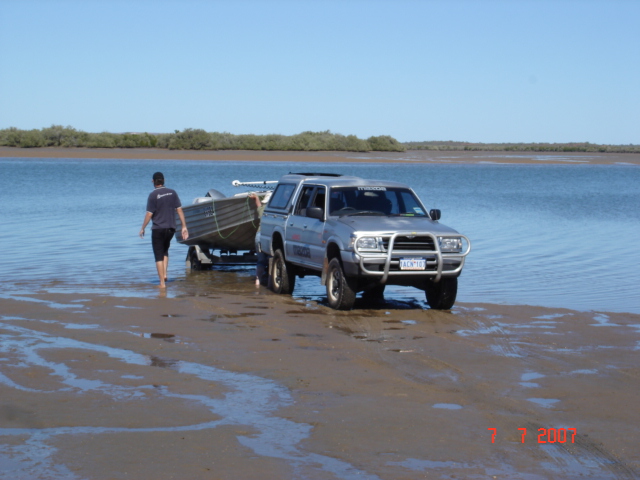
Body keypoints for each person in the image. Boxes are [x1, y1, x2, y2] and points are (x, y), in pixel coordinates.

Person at [139, 172, 188, 287]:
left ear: (153, 181)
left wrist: (142, 228)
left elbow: (149, 214)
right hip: (171, 228)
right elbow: (179, 210)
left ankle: (162, 283)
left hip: (158, 229)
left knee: (158, 255)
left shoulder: (153, 195)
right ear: (163, 180)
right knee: (165, 251)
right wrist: (184, 226)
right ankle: (165, 274)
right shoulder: (172, 192)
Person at [249, 192, 269, 286]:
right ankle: (271, 281)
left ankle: (258, 281)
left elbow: (258, 205)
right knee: (271, 258)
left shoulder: (262, 209)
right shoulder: (274, 210)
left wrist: (256, 197)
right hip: (267, 236)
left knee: (261, 261)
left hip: (259, 235)